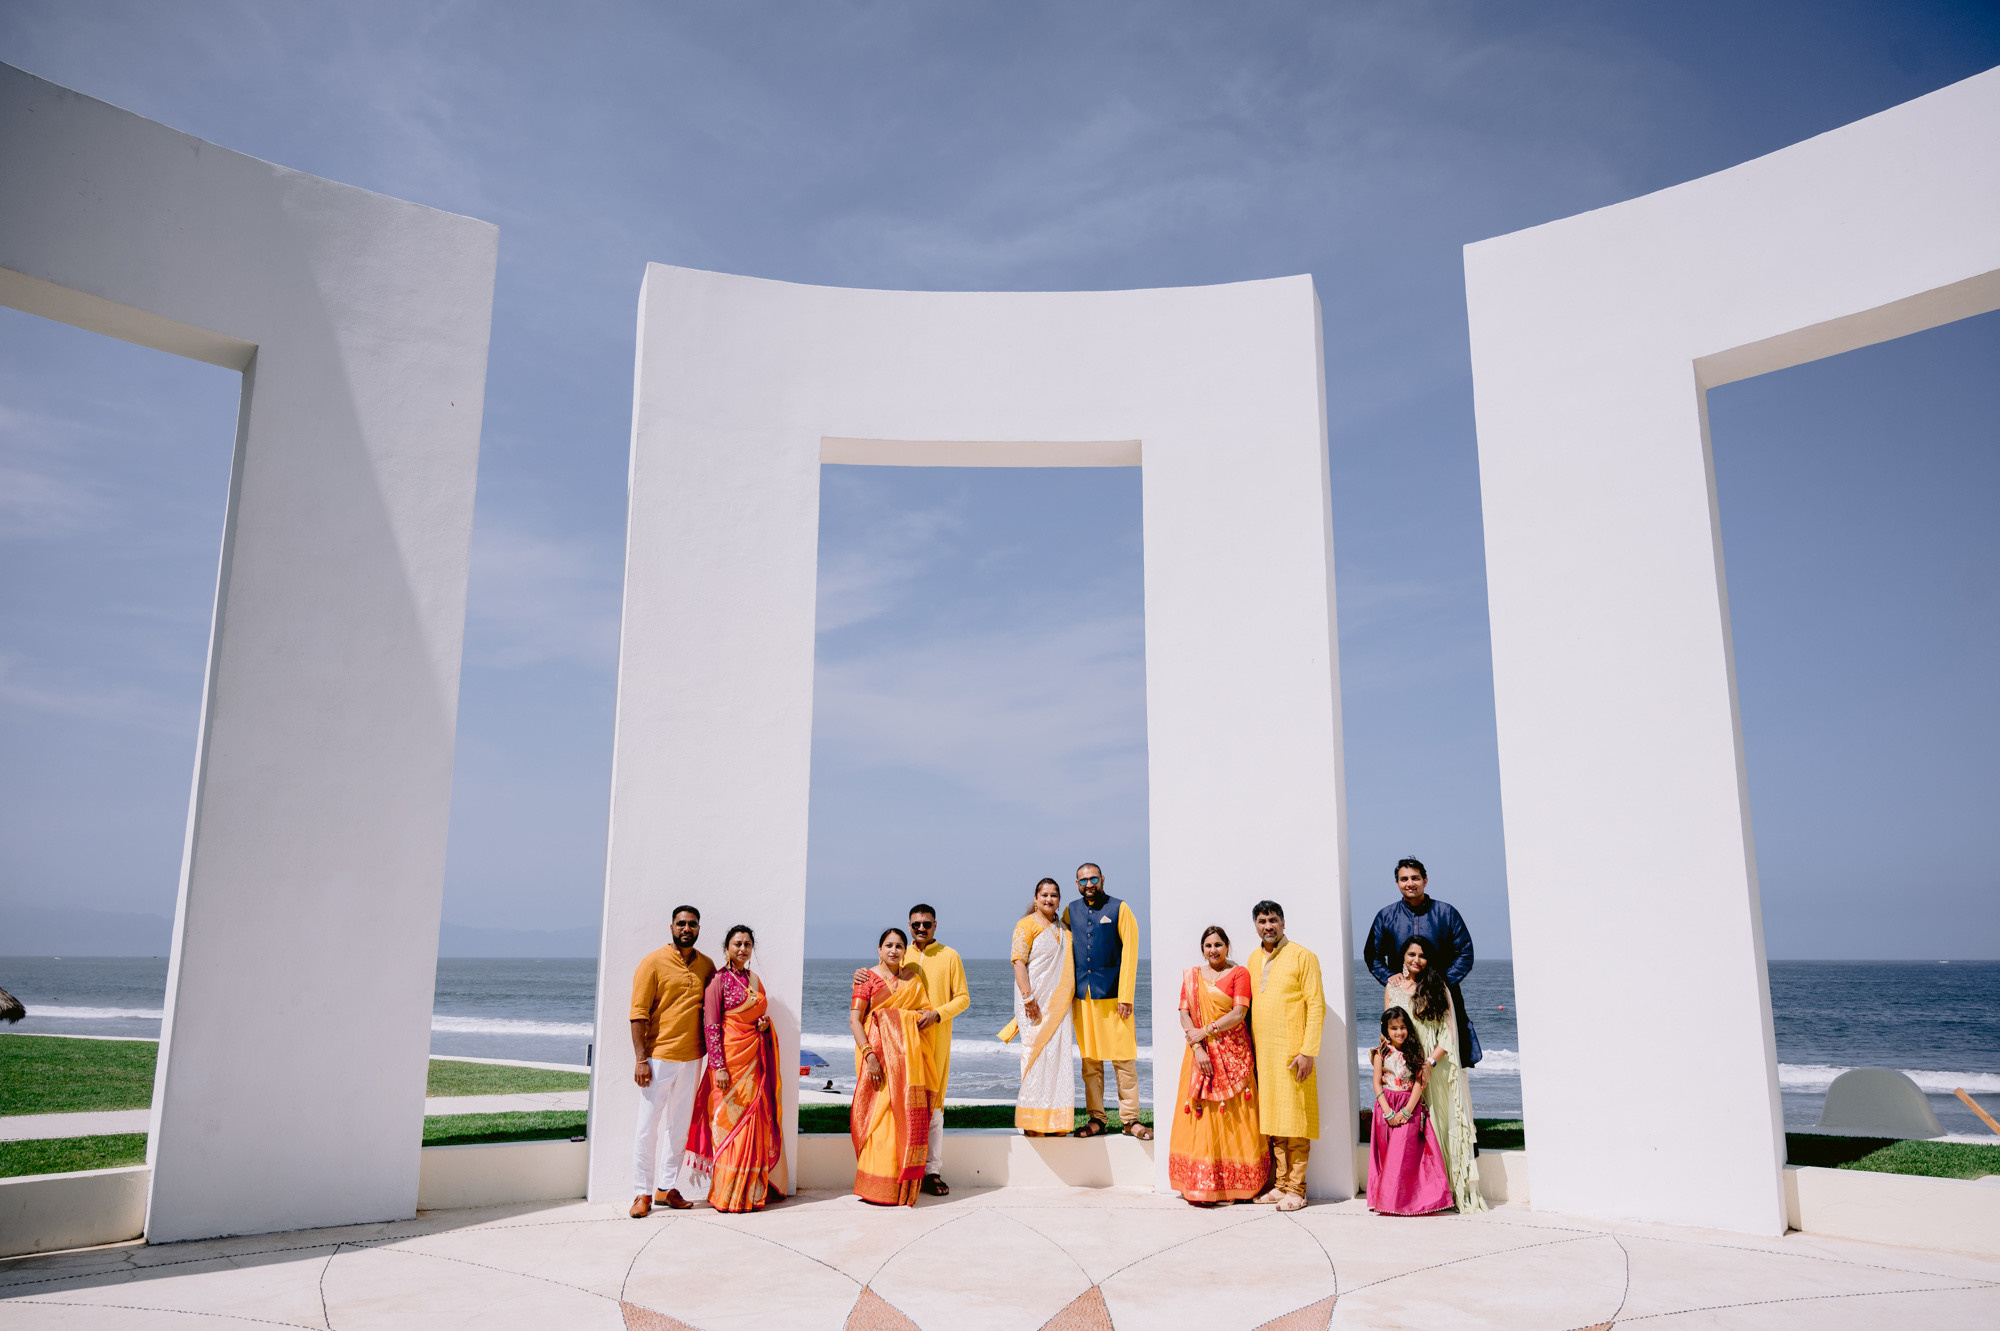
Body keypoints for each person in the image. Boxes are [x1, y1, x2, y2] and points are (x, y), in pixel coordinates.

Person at [682, 925, 788, 1212]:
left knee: (753, 1125)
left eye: (747, 944)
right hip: (728, 1063)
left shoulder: (755, 980)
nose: (742, 949)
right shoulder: (718, 980)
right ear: (726, 948)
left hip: (753, 1061)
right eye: (737, 944)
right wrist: (718, 1067)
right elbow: (711, 1025)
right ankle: (725, 1194)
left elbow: (758, 1016)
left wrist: (764, 1025)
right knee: (727, 1127)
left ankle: (750, 1194)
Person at [1384, 935, 1485, 1213]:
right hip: (1405, 1066)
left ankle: (1448, 1191)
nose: (1416, 960)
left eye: (1422, 955)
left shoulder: (1437, 987)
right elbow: (1388, 1029)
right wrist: (1387, 1061)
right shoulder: (1391, 986)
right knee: (1411, 1130)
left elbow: (1448, 1035)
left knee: (1440, 1123)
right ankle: (1416, 1193)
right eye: (1411, 954)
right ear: (1403, 956)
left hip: (1433, 1066)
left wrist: (1428, 1064)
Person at [628, 905, 715, 1218]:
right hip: (659, 1057)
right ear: (671, 927)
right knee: (647, 1127)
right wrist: (641, 1060)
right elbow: (638, 1014)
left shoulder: (706, 965)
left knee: (678, 1128)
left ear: (699, 928)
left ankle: (666, 1187)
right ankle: (642, 1192)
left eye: (692, 924)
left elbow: (721, 1004)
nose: (686, 929)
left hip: (693, 1058)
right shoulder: (652, 962)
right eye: (681, 923)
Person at [1167, 926, 1264, 1206]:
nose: (1213, 950)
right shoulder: (1192, 976)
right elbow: (1184, 1013)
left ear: (1227, 946)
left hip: (1233, 1053)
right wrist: (1197, 1046)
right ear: (1202, 949)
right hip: (1200, 1055)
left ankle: (1235, 1186)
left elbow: (1238, 1013)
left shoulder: (1239, 974)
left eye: (1218, 945)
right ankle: (1201, 1183)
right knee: (1203, 1115)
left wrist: (1205, 1031)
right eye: (1208, 945)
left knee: (1235, 1117)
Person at [848, 927, 942, 1206]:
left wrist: (918, 1017)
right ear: (879, 949)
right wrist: (870, 1055)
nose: (893, 950)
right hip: (874, 1058)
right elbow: (855, 1020)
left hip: (906, 1062)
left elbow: (924, 1014)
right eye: (888, 945)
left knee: (899, 1118)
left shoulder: (913, 980)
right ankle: (873, 1186)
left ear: (905, 951)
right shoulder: (866, 979)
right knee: (878, 1119)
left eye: (899, 946)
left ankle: (899, 1187)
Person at [1363, 858, 1482, 1068]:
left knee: (1446, 1057)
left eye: (1415, 878)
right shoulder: (1386, 916)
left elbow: (1465, 952)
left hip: (1441, 994)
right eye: (1404, 879)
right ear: (1397, 883)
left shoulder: (1446, 913)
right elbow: (1372, 955)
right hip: (1403, 998)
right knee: (1403, 1060)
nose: (1410, 883)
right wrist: (1389, 976)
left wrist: (1442, 982)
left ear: (1425, 880)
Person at [1247, 900, 1324, 1211]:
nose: (1268, 926)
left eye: (1273, 920)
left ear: (1283, 922)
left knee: (1297, 1121)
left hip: (1294, 1053)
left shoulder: (1303, 956)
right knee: (1273, 1120)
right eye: (1263, 921)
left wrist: (1308, 1051)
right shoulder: (1252, 959)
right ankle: (1280, 1185)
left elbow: (1316, 1006)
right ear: (1255, 925)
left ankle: (1297, 1188)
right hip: (1264, 1054)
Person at [1066, 863, 1149, 1139]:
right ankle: (1097, 1119)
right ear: (1077, 883)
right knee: (1090, 1063)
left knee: (1124, 1061)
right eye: (1082, 880)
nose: (1088, 884)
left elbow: (1131, 953)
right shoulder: (1070, 911)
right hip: (1083, 998)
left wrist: (1126, 996)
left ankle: (1130, 1120)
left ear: (1102, 879)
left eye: (1093, 878)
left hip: (1115, 999)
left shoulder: (1120, 908)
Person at [1003, 877, 1075, 1135]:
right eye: (1044, 895)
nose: (1049, 899)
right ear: (1035, 899)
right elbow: (1018, 962)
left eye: (1054, 895)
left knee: (1058, 1059)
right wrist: (1028, 998)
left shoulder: (1064, 928)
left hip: (1059, 1004)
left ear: (1059, 900)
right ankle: (1033, 1121)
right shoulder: (1026, 925)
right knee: (1035, 1055)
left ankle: (1056, 1121)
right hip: (1034, 1002)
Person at [908, 903, 970, 1197]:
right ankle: (906, 1168)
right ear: (909, 926)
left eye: (927, 924)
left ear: (936, 925)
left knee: (934, 1104)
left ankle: (931, 1171)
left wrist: (937, 1014)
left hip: (938, 1039)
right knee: (906, 1102)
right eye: (916, 924)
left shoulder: (949, 956)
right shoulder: (900, 954)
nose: (921, 929)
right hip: (906, 1041)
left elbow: (963, 999)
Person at [1367, 1006, 1454, 1216]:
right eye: (1394, 1028)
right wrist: (1388, 1112)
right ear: (1386, 1030)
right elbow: (1377, 1083)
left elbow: (1418, 1083)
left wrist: (1406, 1112)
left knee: (1403, 1157)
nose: (1399, 1032)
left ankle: (1410, 1202)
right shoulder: (1380, 1053)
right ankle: (1387, 1201)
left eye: (1403, 1027)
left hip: (1409, 1106)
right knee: (1388, 1157)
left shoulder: (1415, 1051)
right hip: (1386, 1107)